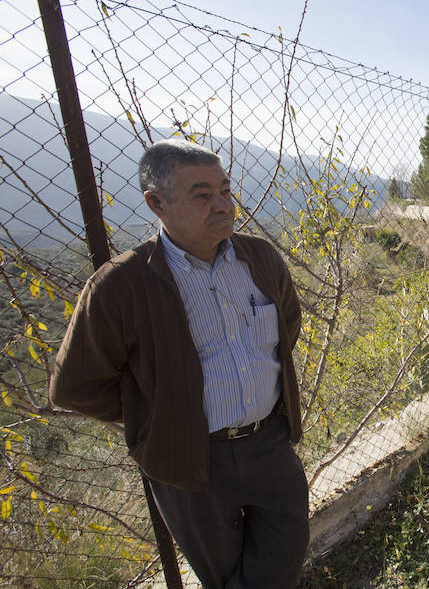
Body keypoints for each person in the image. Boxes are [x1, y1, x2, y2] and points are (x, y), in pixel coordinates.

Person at [50, 139, 309, 588]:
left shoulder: (260, 259)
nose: (224, 205)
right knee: (222, 572)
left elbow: (287, 326)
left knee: (286, 553)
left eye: (225, 190)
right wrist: (159, 414)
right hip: (189, 461)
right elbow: (75, 385)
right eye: (202, 195)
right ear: (157, 203)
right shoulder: (120, 286)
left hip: (269, 444)